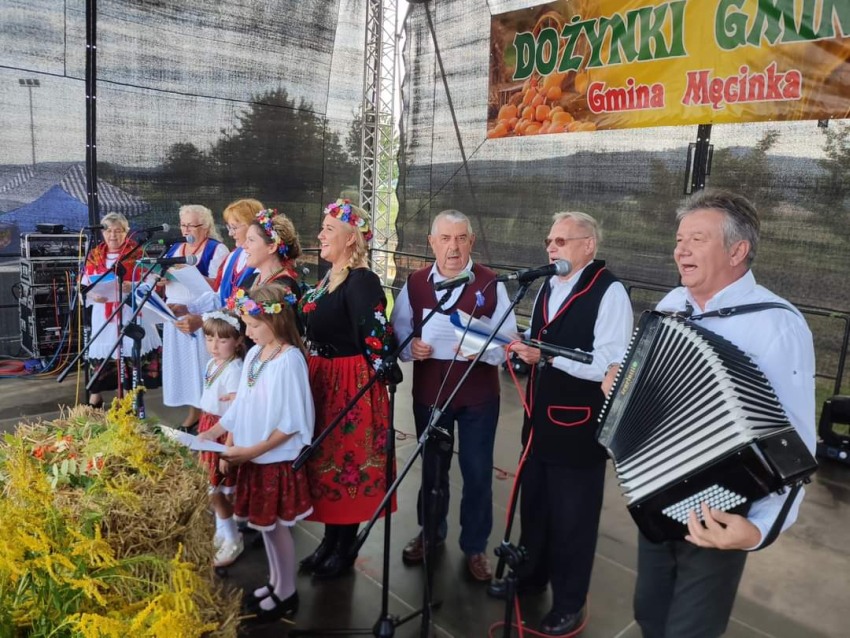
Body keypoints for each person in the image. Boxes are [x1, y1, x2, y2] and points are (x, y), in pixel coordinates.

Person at [632, 190, 816, 638]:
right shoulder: (672, 305)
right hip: (655, 489)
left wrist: (758, 530)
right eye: (679, 239)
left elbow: (795, 444)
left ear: (737, 251)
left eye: (697, 239)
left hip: (722, 508)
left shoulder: (777, 325)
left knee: (691, 629)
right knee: (649, 613)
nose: (681, 250)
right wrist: (623, 383)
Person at [499, 211, 633, 636]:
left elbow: (610, 363)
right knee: (535, 504)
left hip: (579, 428)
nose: (551, 247)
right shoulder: (546, 286)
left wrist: (549, 356)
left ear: (588, 245)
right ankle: (530, 576)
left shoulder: (609, 292)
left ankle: (570, 603)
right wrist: (523, 346)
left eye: (561, 240)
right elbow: (544, 340)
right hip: (539, 419)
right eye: (549, 241)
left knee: (573, 519)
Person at [390, 209, 517, 582]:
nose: (453, 247)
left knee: (477, 473)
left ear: (471, 241)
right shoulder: (415, 283)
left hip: (479, 397)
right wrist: (412, 347)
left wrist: (484, 351)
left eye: (461, 238)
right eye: (445, 239)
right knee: (433, 470)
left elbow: (508, 340)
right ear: (431, 242)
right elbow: (399, 333)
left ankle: (475, 547)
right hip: (430, 394)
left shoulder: (491, 283)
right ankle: (430, 533)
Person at [201, 283, 314, 623]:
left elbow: (292, 423)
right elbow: (242, 407)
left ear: (275, 321)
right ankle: (275, 583)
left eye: (252, 325)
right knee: (266, 528)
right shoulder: (254, 355)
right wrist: (217, 435)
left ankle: (287, 592)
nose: (247, 333)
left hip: (272, 460)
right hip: (252, 458)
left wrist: (250, 451)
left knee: (277, 528)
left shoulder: (289, 360)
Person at [297, 199, 396, 580]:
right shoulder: (331, 276)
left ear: (351, 238)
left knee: (347, 464)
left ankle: (344, 547)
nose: (320, 235)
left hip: (350, 381)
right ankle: (329, 541)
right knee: (326, 464)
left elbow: (377, 338)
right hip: (324, 375)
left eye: (329, 229)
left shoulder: (361, 281)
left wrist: (377, 383)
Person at [82, 212, 162, 408]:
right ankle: (96, 398)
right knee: (103, 354)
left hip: (129, 311)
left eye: (118, 231)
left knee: (128, 353)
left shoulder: (137, 253)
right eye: (108, 230)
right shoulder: (94, 255)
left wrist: (131, 285)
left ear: (127, 232)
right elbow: (83, 284)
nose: (113, 235)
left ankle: (128, 401)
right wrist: (92, 295)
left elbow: (152, 281)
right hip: (104, 315)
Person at [162, 204, 229, 429]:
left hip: (200, 315)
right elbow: (162, 274)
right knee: (184, 368)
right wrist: (163, 279)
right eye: (183, 225)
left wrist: (189, 275)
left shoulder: (216, 249)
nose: (186, 230)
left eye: (192, 225)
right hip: (175, 313)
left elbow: (220, 285)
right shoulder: (175, 248)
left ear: (206, 226)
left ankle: (208, 415)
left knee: (202, 365)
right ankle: (193, 411)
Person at [197, 311, 245, 569]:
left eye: (222, 340)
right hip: (209, 425)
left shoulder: (234, 369)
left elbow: (237, 412)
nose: (214, 346)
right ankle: (222, 532)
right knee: (210, 488)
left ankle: (232, 538)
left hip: (223, 432)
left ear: (237, 341)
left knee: (216, 490)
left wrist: (228, 446)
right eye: (209, 339)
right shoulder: (212, 364)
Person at [172, 198, 264, 326]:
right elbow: (219, 297)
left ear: (252, 227)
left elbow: (250, 304)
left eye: (234, 227)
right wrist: (188, 308)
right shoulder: (233, 257)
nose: (230, 233)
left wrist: (202, 319)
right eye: (229, 227)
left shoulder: (261, 261)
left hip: (245, 328)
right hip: (224, 328)